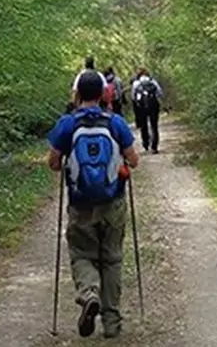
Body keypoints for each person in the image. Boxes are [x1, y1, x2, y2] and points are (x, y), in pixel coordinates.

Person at [48, 69, 139, 339]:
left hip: (81, 205)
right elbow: (133, 160)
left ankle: (89, 294)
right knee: (111, 259)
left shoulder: (67, 124)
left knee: (82, 254)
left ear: (76, 94)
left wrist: (67, 163)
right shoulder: (115, 123)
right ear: (103, 94)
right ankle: (111, 323)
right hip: (113, 202)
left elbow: (53, 163)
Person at [130, 68, 163, 154]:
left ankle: (146, 144)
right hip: (153, 106)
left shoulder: (136, 83)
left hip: (141, 107)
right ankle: (154, 147)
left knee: (143, 126)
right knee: (154, 126)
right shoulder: (153, 81)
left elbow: (133, 97)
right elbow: (160, 93)